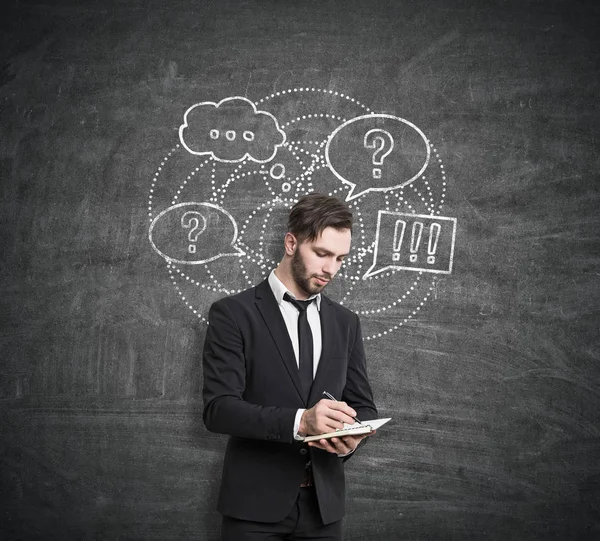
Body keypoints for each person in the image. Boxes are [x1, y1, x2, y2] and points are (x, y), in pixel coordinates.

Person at [202, 193, 378, 540]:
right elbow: (218, 410)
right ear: (291, 243)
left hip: (324, 511)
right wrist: (302, 421)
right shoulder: (233, 314)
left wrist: (353, 437)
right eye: (322, 254)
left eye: (341, 258)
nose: (331, 269)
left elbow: (363, 405)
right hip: (253, 509)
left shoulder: (346, 323)